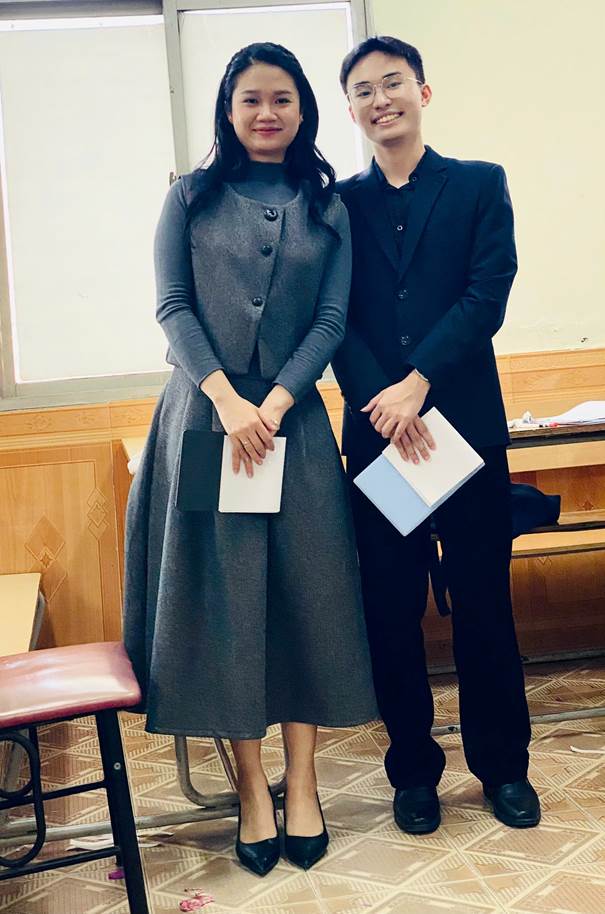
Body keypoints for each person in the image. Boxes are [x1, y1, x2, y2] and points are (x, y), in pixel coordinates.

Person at [123, 42, 377, 876]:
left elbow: (331, 320)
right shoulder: (188, 197)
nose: (266, 113)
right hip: (208, 423)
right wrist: (230, 403)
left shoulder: (327, 205)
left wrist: (274, 402)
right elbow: (172, 306)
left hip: (292, 429)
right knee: (228, 604)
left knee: (307, 598)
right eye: (250, 100)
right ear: (228, 111)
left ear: (303, 110)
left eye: (282, 99)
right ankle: (251, 791)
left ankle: (302, 784)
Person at [332, 36, 540, 834]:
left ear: (422, 92)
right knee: (391, 610)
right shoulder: (336, 206)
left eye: (392, 83)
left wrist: (418, 384)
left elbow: (487, 292)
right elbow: (333, 317)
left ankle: (503, 768)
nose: (379, 99)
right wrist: (383, 402)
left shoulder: (478, 184)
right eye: (363, 90)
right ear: (351, 109)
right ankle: (412, 774)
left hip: (465, 433)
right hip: (381, 439)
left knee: (484, 603)